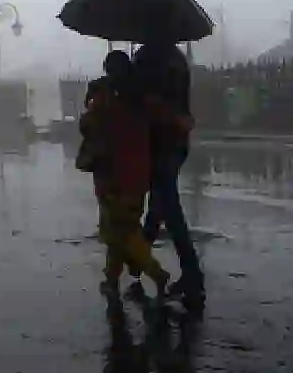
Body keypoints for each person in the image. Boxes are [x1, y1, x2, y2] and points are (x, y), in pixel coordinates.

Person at [80, 51, 170, 294]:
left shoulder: (105, 96)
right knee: (119, 228)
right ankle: (111, 280)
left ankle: (156, 273)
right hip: (138, 172)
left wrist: (93, 99)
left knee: (122, 230)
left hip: (112, 174)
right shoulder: (143, 96)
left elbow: (88, 125)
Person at [132, 40, 203, 300]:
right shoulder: (176, 58)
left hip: (160, 140)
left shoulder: (148, 58)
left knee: (168, 206)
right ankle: (138, 262)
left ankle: (192, 273)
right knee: (160, 202)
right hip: (176, 140)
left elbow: (142, 99)